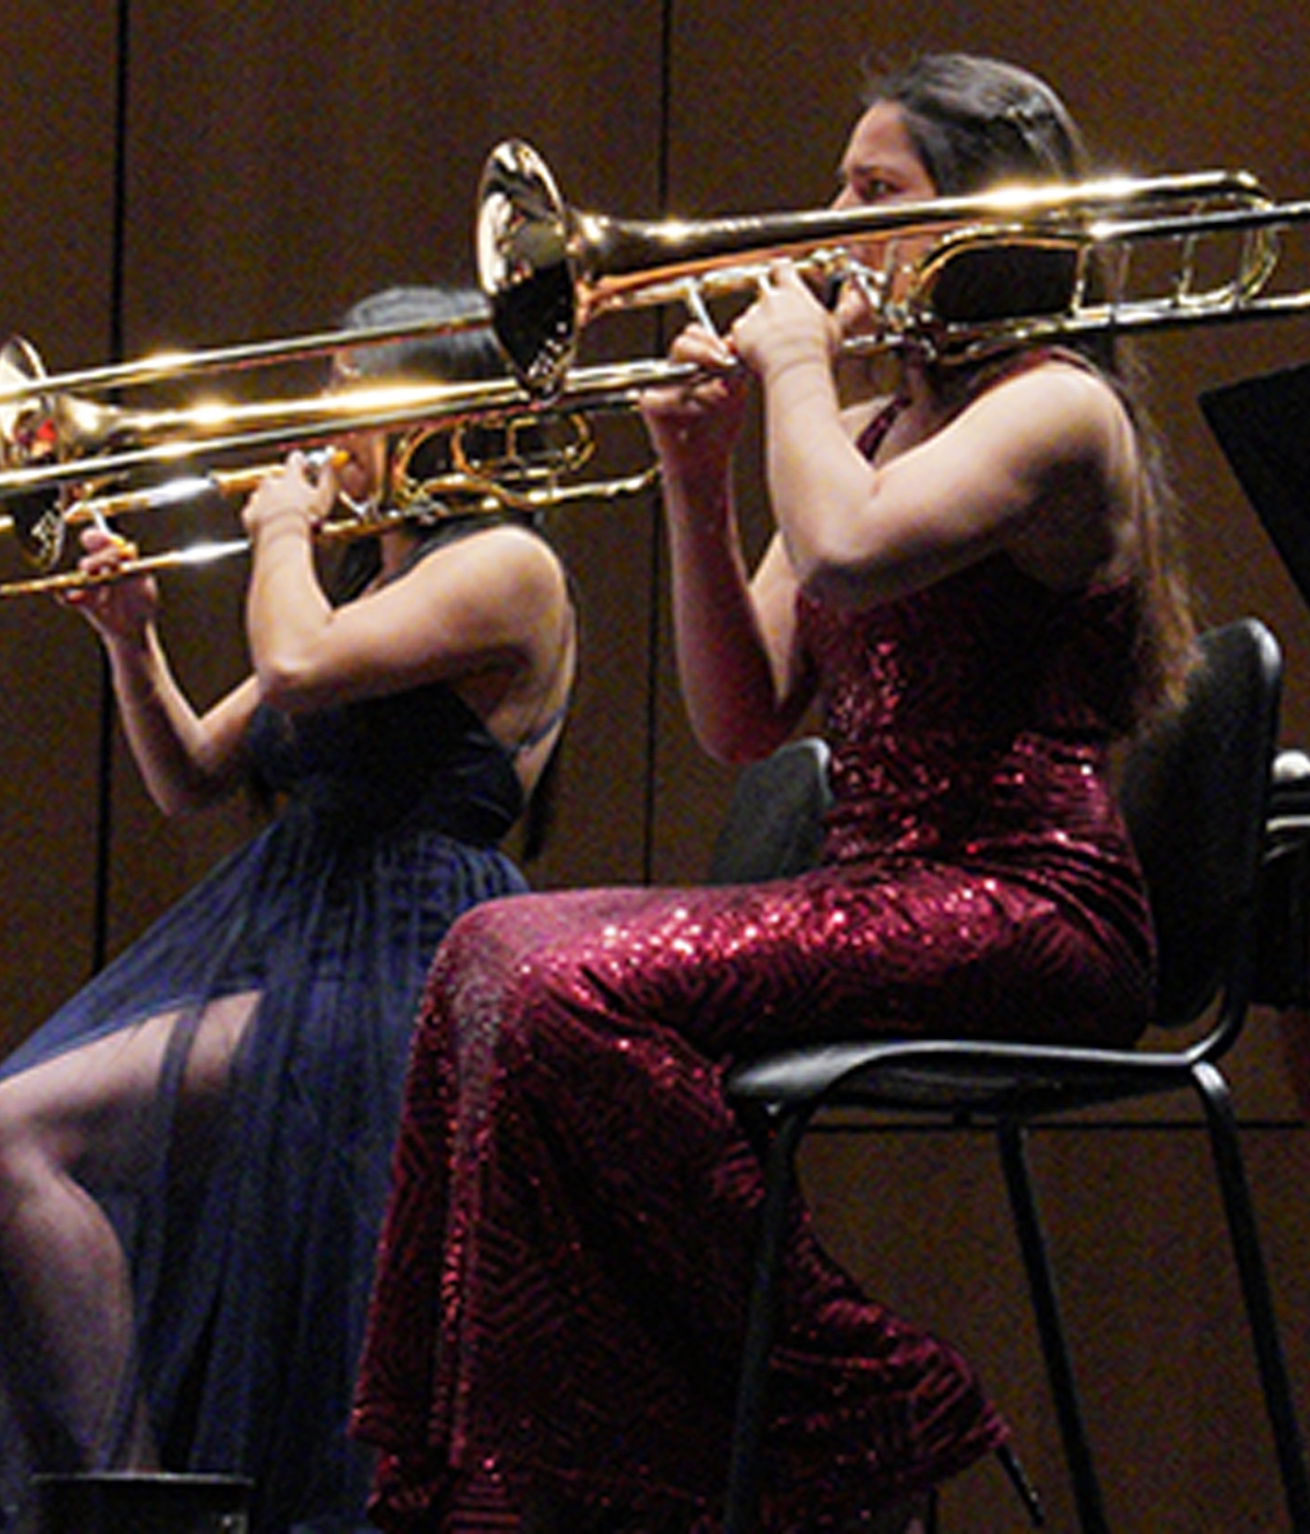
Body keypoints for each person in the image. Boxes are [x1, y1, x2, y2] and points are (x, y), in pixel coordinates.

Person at [352, 52, 1195, 1532]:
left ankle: (860, 1386)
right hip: (882, 891)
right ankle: (535, 1482)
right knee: (483, 952)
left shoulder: (1060, 411)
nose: (829, 220)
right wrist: (698, 476)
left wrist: (797, 368)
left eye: (875, 190)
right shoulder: (864, 436)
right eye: (840, 182)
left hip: (1026, 899)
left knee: (551, 985)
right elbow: (743, 719)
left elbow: (853, 552)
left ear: (982, 216)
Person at [0, 285, 578, 1534]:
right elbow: (195, 772)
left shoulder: (508, 565)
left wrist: (281, 532)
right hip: (306, 937)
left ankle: (145, 1514)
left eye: (354, 383)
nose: (321, 412)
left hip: (407, 966)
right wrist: (129, 637)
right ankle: (131, 1502)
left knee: (12, 1137)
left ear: (448, 405)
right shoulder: (364, 577)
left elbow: (297, 666)